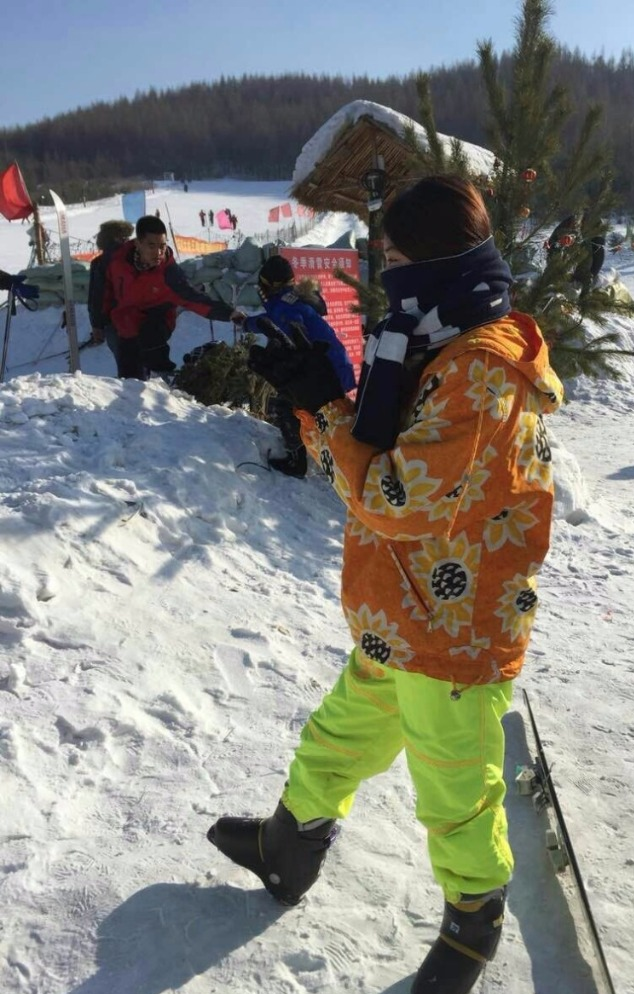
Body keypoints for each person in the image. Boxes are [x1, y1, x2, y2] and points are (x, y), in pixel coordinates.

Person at [208, 176, 563, 994]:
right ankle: (287, 846)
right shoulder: (432, 337)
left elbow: (395, 500)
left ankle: (474, 922)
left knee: (455, 788)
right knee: (336, 737)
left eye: (396, 258)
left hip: (454, 627)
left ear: (441, 260)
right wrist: (320, 398)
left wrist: (320, 408)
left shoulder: (478, 373)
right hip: (402, 613)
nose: (386, 274)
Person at [242, 254, 356, 477]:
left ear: (268, 285)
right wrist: (246, 322)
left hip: (324, 371)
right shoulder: (292, 299)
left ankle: (297, 461)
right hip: (333, 365)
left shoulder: (285, 307)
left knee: (287, 406)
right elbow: (270, 320)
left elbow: (286, 328)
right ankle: (330, 455)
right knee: (323, 414)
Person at [101, 215, 244, 380]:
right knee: (129, 378)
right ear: (138, 243)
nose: (158, 252)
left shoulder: (168, 274)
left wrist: (228, 313)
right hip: (125, 326)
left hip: (156, 322)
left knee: (150, 338)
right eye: (151, 246)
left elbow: (193, 298)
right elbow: (104, 291)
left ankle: (165, 379)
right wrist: (100, 322)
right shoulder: (116, 261)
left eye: (162, 246)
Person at [87, 220, 134, 368]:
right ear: (117, 238)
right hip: (139, 319)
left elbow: (96, 298)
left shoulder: (100, 263)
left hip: (114, 322)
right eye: (125, 236)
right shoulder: (137, 258)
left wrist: (96, 325)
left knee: (126, 366)